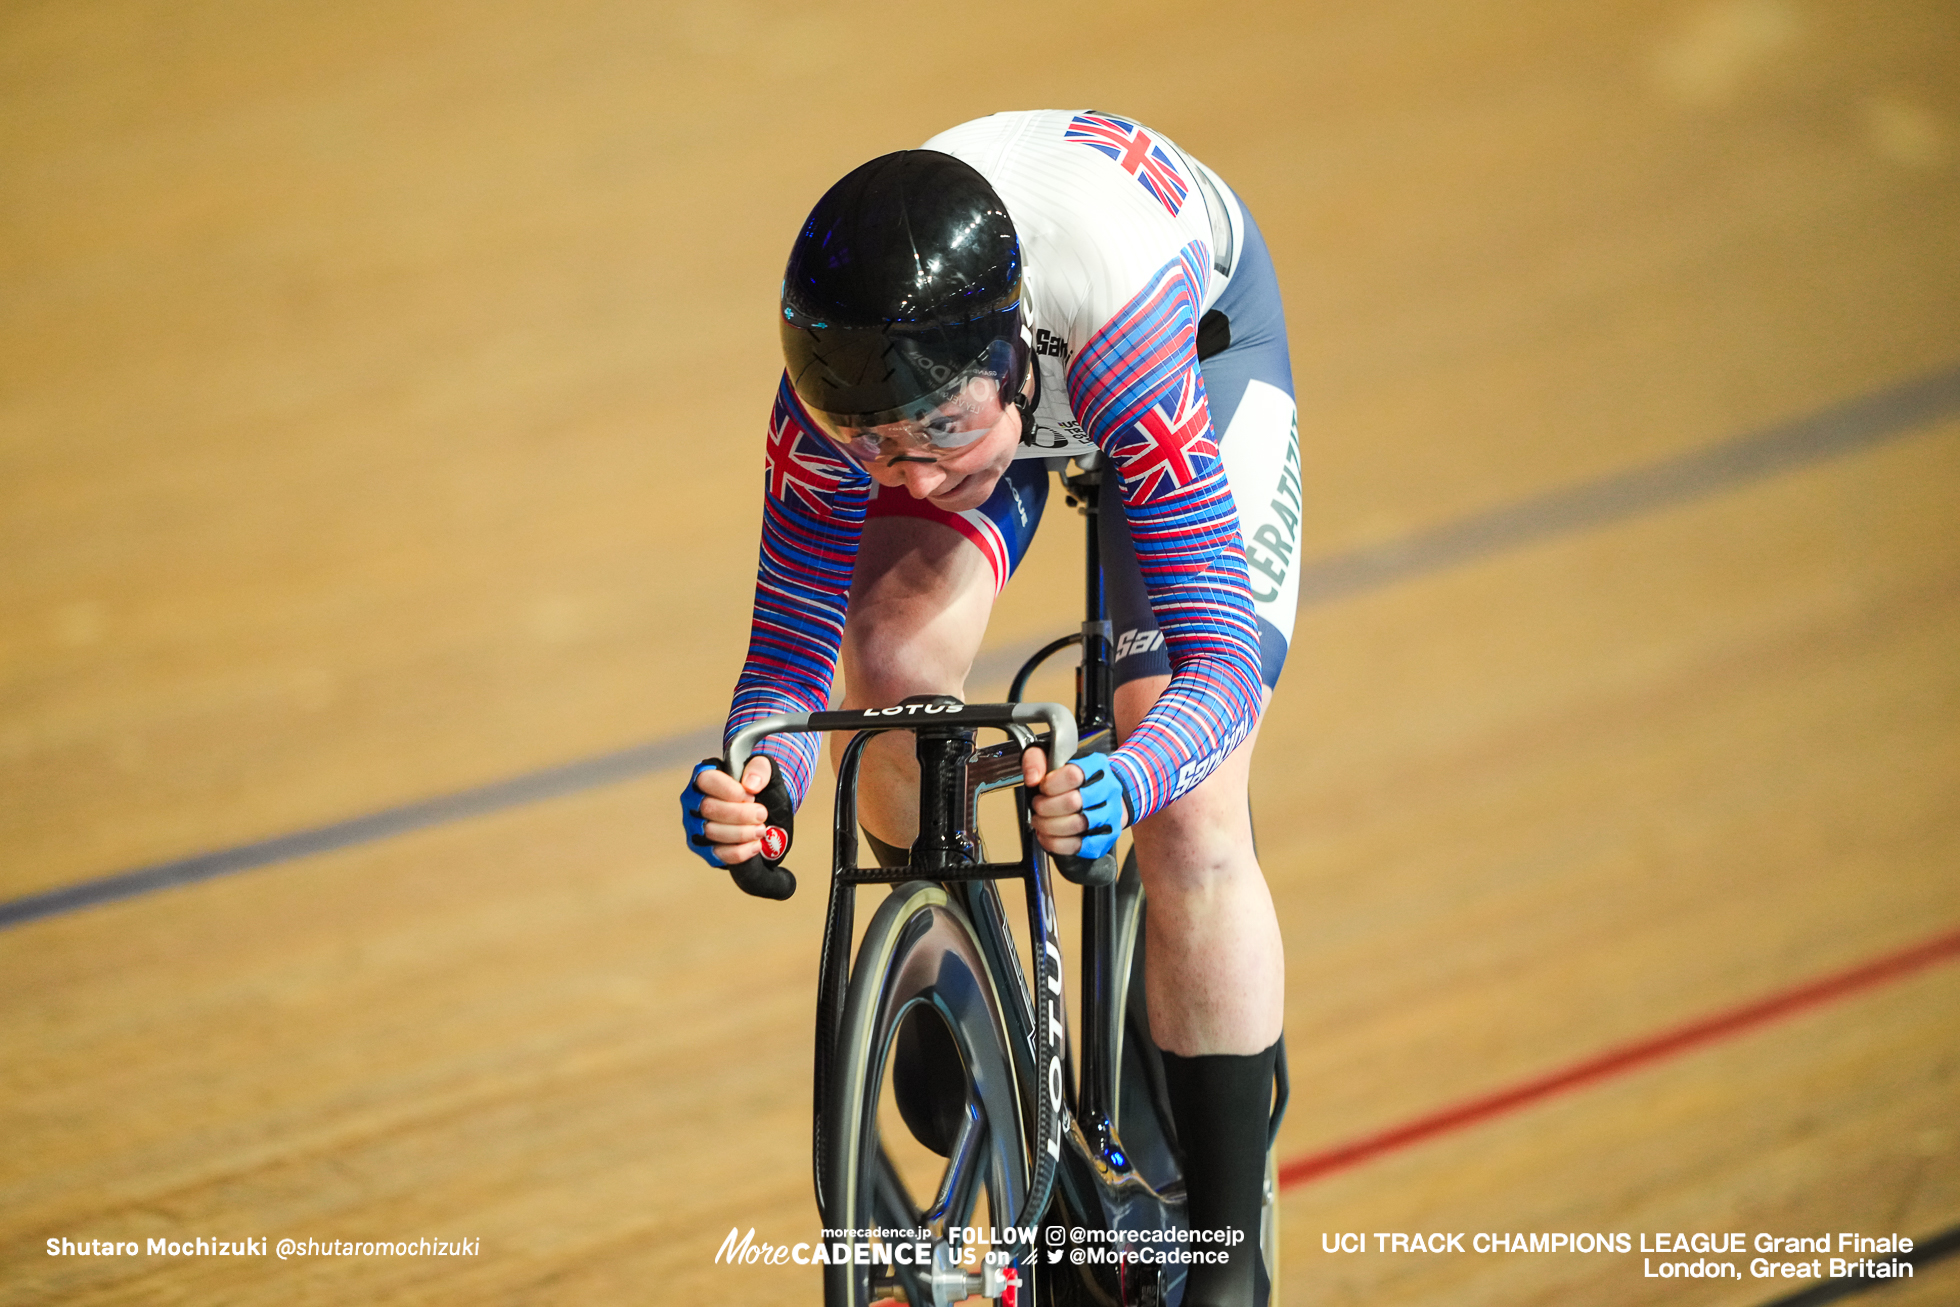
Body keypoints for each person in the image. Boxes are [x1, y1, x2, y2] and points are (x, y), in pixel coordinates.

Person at [680, 110, 1301, 1307]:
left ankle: (1229, 1258)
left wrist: (1138, 771)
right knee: (891, 658)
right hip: (1016, 389)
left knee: (1192, 812)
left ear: (1014, 353)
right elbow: (790, 663)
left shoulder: (1112, 321)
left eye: (935, 433)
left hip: (1195, 348)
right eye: (872, 445)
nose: (906, 475)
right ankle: (960, 967)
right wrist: (765, 783)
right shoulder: (838, 401)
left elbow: (1217, 661)